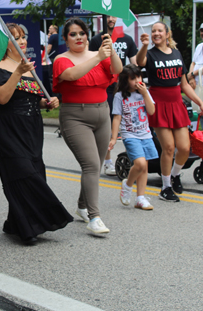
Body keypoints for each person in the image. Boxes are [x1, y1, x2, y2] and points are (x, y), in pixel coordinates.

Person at [0, 23, 72, 245]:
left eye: (23, 37)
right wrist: (17, 73)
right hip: (8, 129)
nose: (22, 42)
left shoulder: (28, 67)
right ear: (4, 43)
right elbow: (1, 99)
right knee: (23, 175)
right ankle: (29, 227)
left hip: (32, 128)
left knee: (34, 172)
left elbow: (33, 99)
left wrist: (48, 102)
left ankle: (15, 223)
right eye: (15, 38)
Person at [53, 17, 122, 235]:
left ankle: (82, 206)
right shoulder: (61, 59)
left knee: (96, 165)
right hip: (75, 116)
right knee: (91, 165)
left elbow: (117, 69)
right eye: (73, 34)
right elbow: (72, 75)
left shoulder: (99, 54)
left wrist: (111, 51)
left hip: (102, 113)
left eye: (81, 33)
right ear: (65, 39)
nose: (78, 37)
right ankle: (95, 217)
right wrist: (99, 56)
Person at [136, 22, 203, 201]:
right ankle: (166, 187)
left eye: (160, 30)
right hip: (159, 104)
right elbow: (140, 62)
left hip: (177, 103)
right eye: (153, 31)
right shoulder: (150, 53)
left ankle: (175, 174)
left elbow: (184, 84)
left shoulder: (176, 54)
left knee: (184, 148)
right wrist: (144, 45)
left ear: (167, 34)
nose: (156, 33)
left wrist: (200, 102)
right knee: (168, 147)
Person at [89, 15, 138, 176]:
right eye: (108, 16)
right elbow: (93, 62)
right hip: (107, 86)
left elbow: (134, 63)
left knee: (129, 124)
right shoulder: (97, 40)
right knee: (108, 126)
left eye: (114, 16)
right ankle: (108, 161)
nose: (111, 19)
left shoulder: (127, 39)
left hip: (123, 87)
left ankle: (132, 158)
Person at [109, 64, 158, 211]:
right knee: (140, 164)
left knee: (145, 168)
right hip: (130, 135)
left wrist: (145, 94)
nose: (137, 80)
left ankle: (140, 198)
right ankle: (128, 185)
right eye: (133, 78)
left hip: (146, 134)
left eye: (139, 77)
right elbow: (117, 117)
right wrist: (113, 137)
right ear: (125, 80)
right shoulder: (119, 96)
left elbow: (152, 111)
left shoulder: (144, 92)